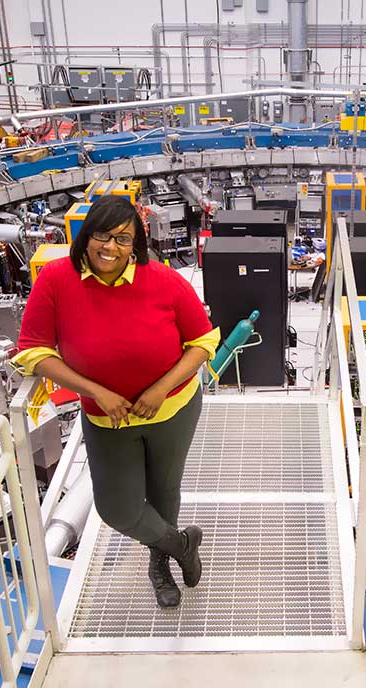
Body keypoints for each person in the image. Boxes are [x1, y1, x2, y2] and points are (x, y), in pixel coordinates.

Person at [13, 195, 220, 608]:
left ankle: (159, 566)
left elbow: (203, 342)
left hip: (172, 410)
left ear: (136, 244)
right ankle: (181, 546)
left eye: (123, 239)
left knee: (164, 493)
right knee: (118, 509)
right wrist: (97, 392)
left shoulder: (163, 280)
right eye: (102, 236)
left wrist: (161, 388)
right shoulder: (56, 280)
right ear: (85, 237)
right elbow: (32, 352)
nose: (111, 247)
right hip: (107, 419)